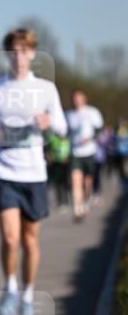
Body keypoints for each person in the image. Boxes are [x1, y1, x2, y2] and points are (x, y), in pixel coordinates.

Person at [0, 28, 66, 315]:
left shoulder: (45, 89)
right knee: (9, 237)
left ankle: (28, 296)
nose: (18, 57)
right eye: (13, 51)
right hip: (3, 171)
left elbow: (62, 128)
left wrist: (48, 122)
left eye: (23, 51)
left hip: (34, 173)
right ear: (8, 54)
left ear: (32, 53)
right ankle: (10, 288)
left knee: (30, 241)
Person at [65, 89, 104, 221]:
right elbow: (64, 132)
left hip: (89, 151)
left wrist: (89, 138)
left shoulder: (92, 112)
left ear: (84, 99)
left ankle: (86, 202)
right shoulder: (69, 114)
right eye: (75, 99)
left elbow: (99, 129)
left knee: (87, 182)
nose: (77, 101)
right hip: (75, 152)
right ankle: (78, 209)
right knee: (75, 180)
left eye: (79, 98)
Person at [46, 130, 71, 211]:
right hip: (56, 164)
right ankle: (60, 202)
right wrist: (50, 156)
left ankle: (67, 200)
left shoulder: (68, 139)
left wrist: (68, 157)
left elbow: (71, 150)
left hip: (66, 165)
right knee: (58, 184)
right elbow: (49, 149)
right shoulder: (53, 139)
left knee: (66, 183)